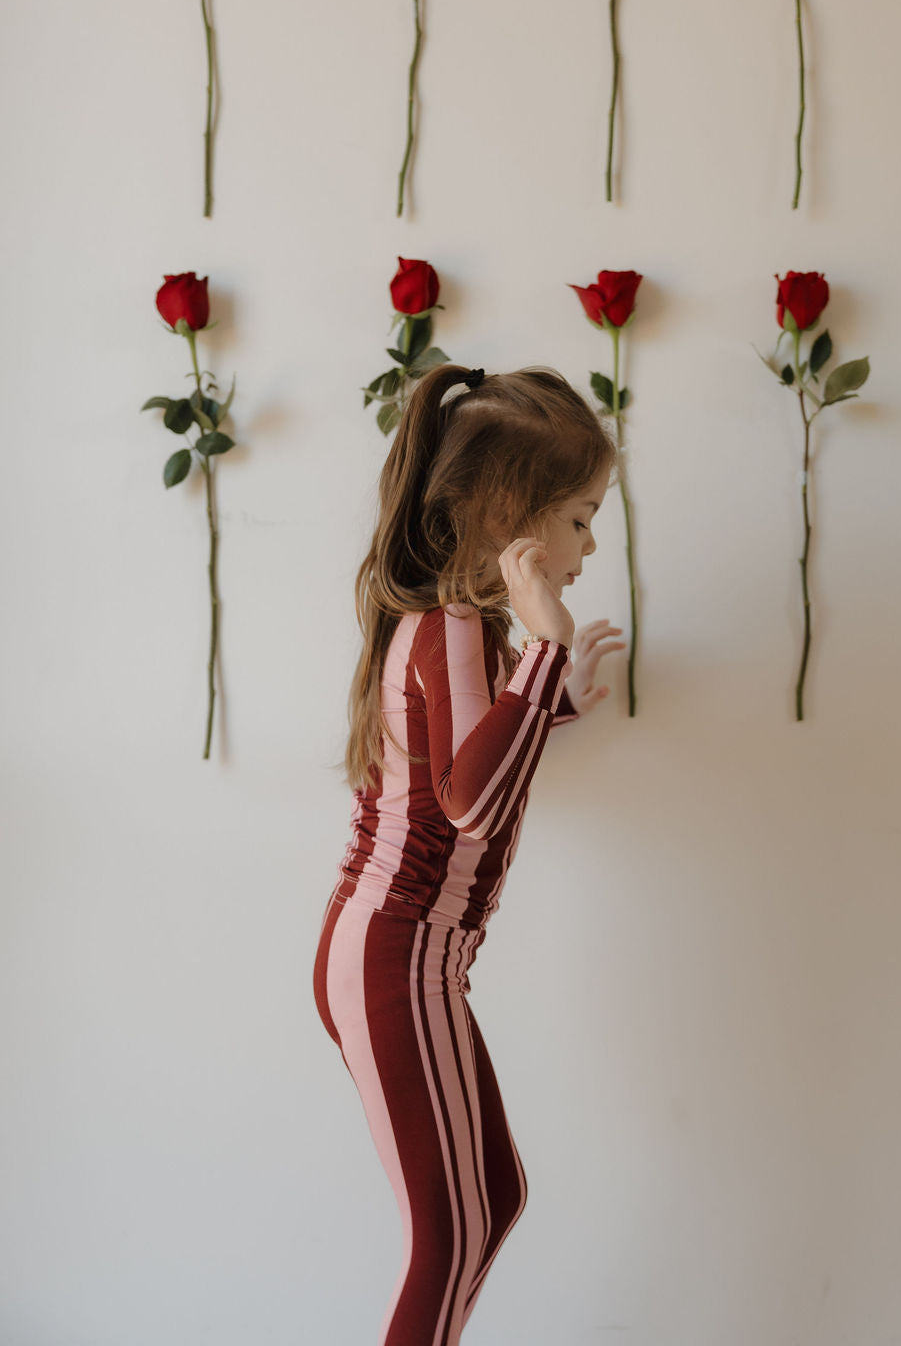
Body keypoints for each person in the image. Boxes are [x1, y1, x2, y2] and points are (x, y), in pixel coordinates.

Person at [313, 361, 626, 1346]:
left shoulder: (456, 627)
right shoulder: (453, 625)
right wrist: (547, 649)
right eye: (579, 518)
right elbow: (473, 804)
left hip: (403, 956)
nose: (588, 545)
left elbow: (458, 766)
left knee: (493, 1197)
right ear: (506, 512)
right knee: (452, 1234)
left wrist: (548, 695)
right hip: (395, 958)